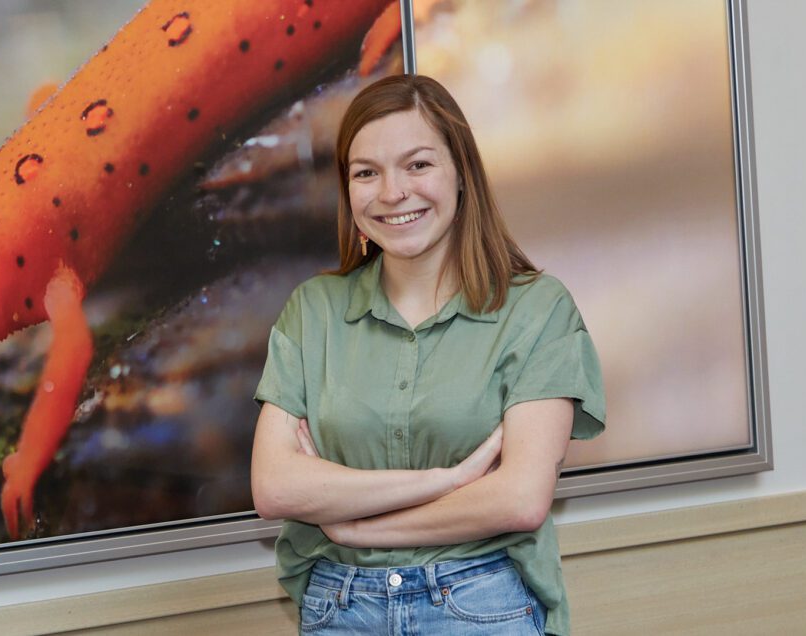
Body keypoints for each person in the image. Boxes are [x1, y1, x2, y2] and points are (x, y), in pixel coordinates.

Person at [251, 74, 605, 635]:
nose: (392, 192)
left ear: (462, 173)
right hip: (340, 610)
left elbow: (519, 498)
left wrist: (355, 525)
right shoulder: (312, 310)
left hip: (481, 603)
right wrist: (451, 480)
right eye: (366, 172)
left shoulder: (538, 309)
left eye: (417, 165)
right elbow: (275, 487)